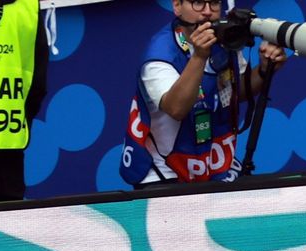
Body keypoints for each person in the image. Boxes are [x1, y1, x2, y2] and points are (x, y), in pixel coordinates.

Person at [119, 0, 286, 186]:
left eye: (214, 3)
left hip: (211, 164)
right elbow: (176, 109)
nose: (207, 12)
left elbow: (237, 92)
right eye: (198, 3)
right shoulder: (159, 56)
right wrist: (199, 56)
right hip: (164, 170)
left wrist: (264, 70)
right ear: (177, 6)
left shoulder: (224, 41)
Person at [0, 0, 48, 204]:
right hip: (8, 153)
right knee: (3, 230)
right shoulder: (27, 8)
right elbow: (38, 85)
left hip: (7, 156)